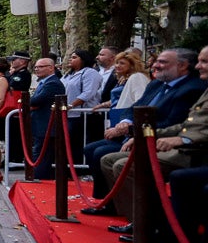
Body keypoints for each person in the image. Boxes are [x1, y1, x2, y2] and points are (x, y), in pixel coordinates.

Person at [101, 46, 208, 243]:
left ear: (181, 66)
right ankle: (139, 220)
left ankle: (153, 228)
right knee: (108, 158)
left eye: (204, 62)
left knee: (128, 165)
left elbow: (188, 130)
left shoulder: (192, 87)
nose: (199, 66)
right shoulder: (195, 87)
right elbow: (184, 125)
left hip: (193, 151)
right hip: (175, 143)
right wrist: (143, 134)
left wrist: (182, 139)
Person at [80, 48, 205, 214]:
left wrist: (138, 133)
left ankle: (146, 219)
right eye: (157, 61)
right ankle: (124, 210)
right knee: (101, 154)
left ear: (182, 66)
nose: (155, 65)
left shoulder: (192, 88)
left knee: (114, 160)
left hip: (176, 147)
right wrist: (125, 122)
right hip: (144, 136)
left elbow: (176, 123)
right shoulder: (156, 84)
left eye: (162, 62)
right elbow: (135, 107)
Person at [28, 56, 65, 179]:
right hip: (41, 125)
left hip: (47, 125)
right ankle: (39, 176)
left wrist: (29, 102)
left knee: (42, 155)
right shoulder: (44, 82)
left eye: (40, 67)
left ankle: (40, 178)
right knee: (39, 153)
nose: (37, 69)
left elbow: (36, 100)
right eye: (36, 67)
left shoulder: (52, 83)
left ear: (50, 68)